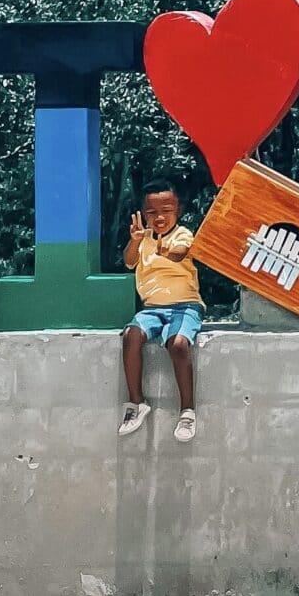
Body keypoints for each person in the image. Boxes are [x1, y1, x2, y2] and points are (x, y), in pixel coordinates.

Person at [120, 178, 201, 441]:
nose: (159, 217)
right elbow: (129, 262)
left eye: (166, 210)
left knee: (177, 344)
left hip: (184, 306)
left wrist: (164, 249)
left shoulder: (183, 234)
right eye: (152, 212)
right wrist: (135, 241)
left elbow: (180, 252)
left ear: (178, 210)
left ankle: (187, 411)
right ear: (144, 214)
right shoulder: (142, 239)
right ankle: (137, 403)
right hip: (152, 309)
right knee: (131, 335)